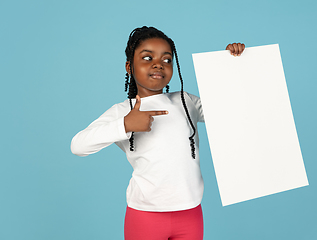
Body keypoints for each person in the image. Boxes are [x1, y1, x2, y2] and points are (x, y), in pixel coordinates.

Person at [71, 26, 245, 240]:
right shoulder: (123, 111)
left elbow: (227, 111)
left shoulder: (185, 101)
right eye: (147, 58)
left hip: (190, 213)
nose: (158, 64)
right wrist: (125, 124)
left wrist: (232, 65)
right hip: (145, 216)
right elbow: (78, 146)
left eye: (166, 60)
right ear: (129, 66)